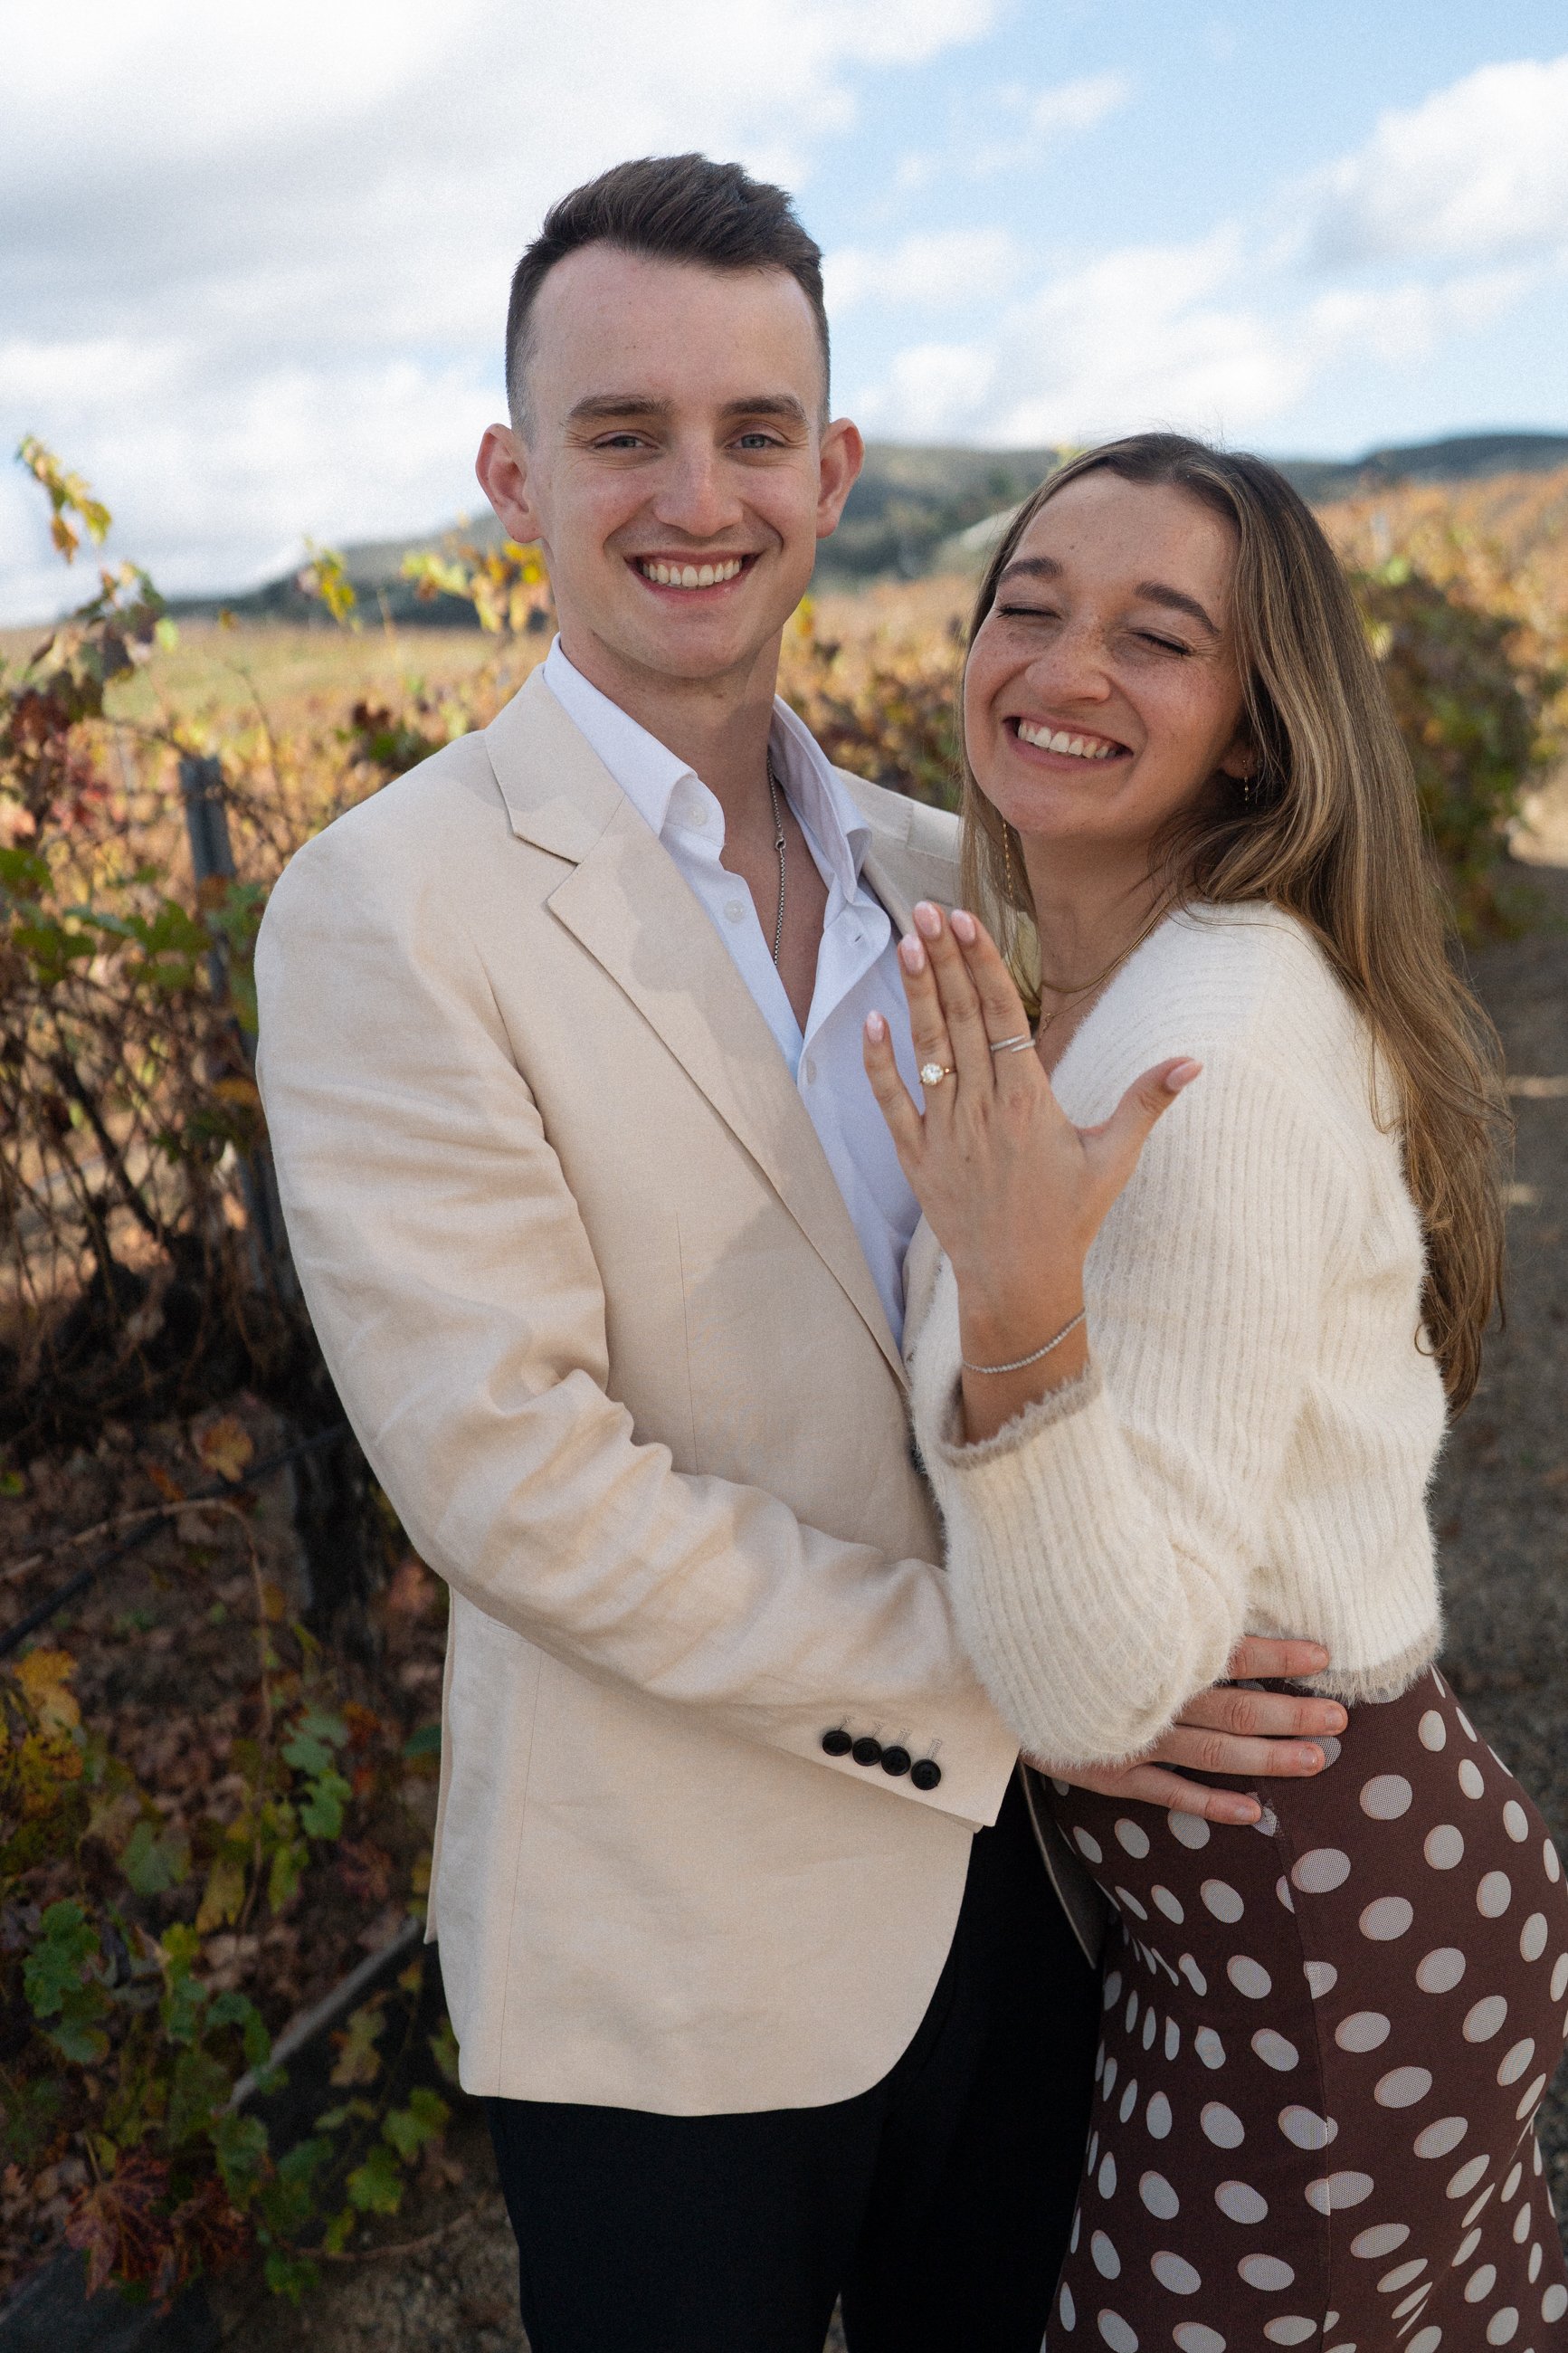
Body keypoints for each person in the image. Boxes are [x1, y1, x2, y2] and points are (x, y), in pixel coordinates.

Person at [254, 164, 1342, 2353]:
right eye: (621, 433)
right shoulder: (390, 906)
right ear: (513, 480)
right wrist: (1029, 1681)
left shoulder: (966, 870)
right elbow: (517, 1484)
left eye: (754, 431)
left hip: (1041, 1918)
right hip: (673, 1961)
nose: (698, 496)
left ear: (832, 473)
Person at [864, 431, 1568, 2349]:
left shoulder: (1207, 1053)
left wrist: (1017, 1301)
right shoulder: (1108, 980)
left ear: (1256, 732)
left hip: (1311, 1947)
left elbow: (1105, 1688)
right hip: (1304, 1911)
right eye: (1028, 608)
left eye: (1156, 636)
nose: (1065, 667)